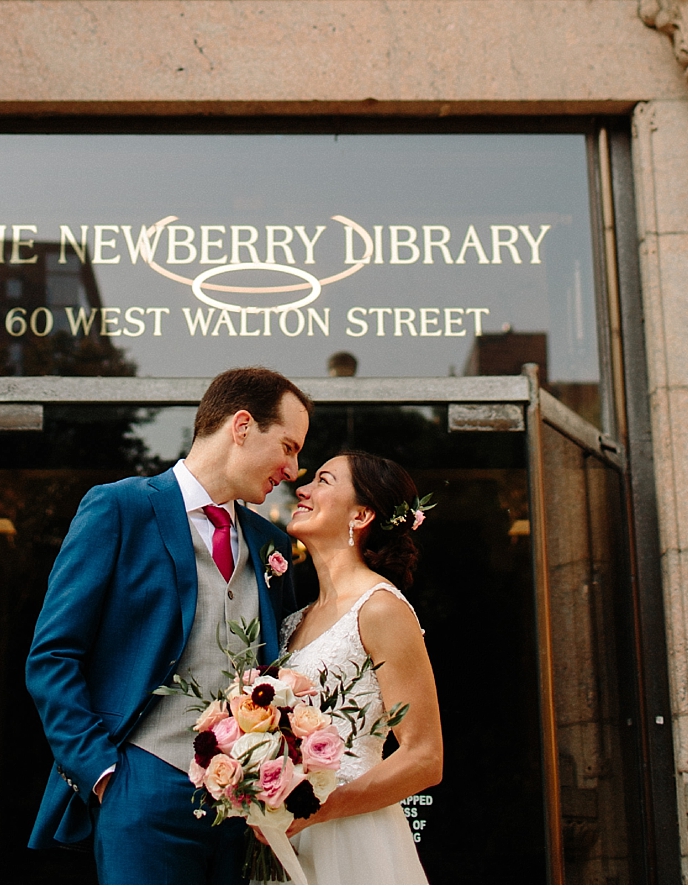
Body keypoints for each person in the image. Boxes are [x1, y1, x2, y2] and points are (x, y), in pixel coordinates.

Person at [25, 364, 309, 879]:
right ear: (242, 427)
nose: (293, 469)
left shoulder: (271, 544)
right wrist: (103, 772)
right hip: (141, 787)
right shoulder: (120, 508)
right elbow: (52, 657)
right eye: (288, 447)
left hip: (245, 809)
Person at [275, 448, 445, 882]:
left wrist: (321, 810)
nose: (303, 488)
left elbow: (425, 758)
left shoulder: (380, 609)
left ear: (361, 515)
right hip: (287, 834)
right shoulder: (295, 620)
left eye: (324, 481)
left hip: (351, 835)